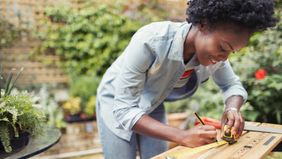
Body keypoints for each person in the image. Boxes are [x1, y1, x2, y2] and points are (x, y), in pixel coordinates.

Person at [96, 0, 278, 158]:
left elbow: (232, 85)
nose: (224, 57)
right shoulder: (151, 41)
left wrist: (232, 109)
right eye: (223, 47)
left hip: (152, 102)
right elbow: (124, 109)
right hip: (116, 102)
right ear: (203, 24)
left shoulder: (215, 55)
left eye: (232, 51)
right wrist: (182, 136)